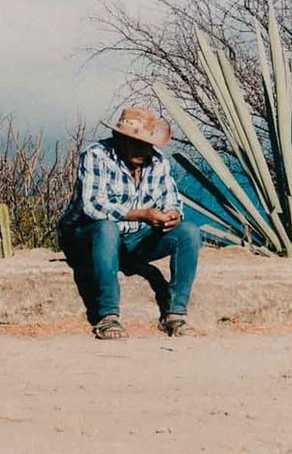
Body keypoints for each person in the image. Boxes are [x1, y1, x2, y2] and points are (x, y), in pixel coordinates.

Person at [57, 104, 202, 339]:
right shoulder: (97, 156)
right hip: (86, 238)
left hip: (133, 239)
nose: (142, 149)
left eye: (146, 143)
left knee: (188, 233)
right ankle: (107, 316)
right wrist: (142, 214)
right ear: (118, 138)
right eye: (135, 142)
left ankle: (175, 315)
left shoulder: (157, 163)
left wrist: (171, 215)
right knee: (106, 228)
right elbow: (93, 206)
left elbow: (171, 199)